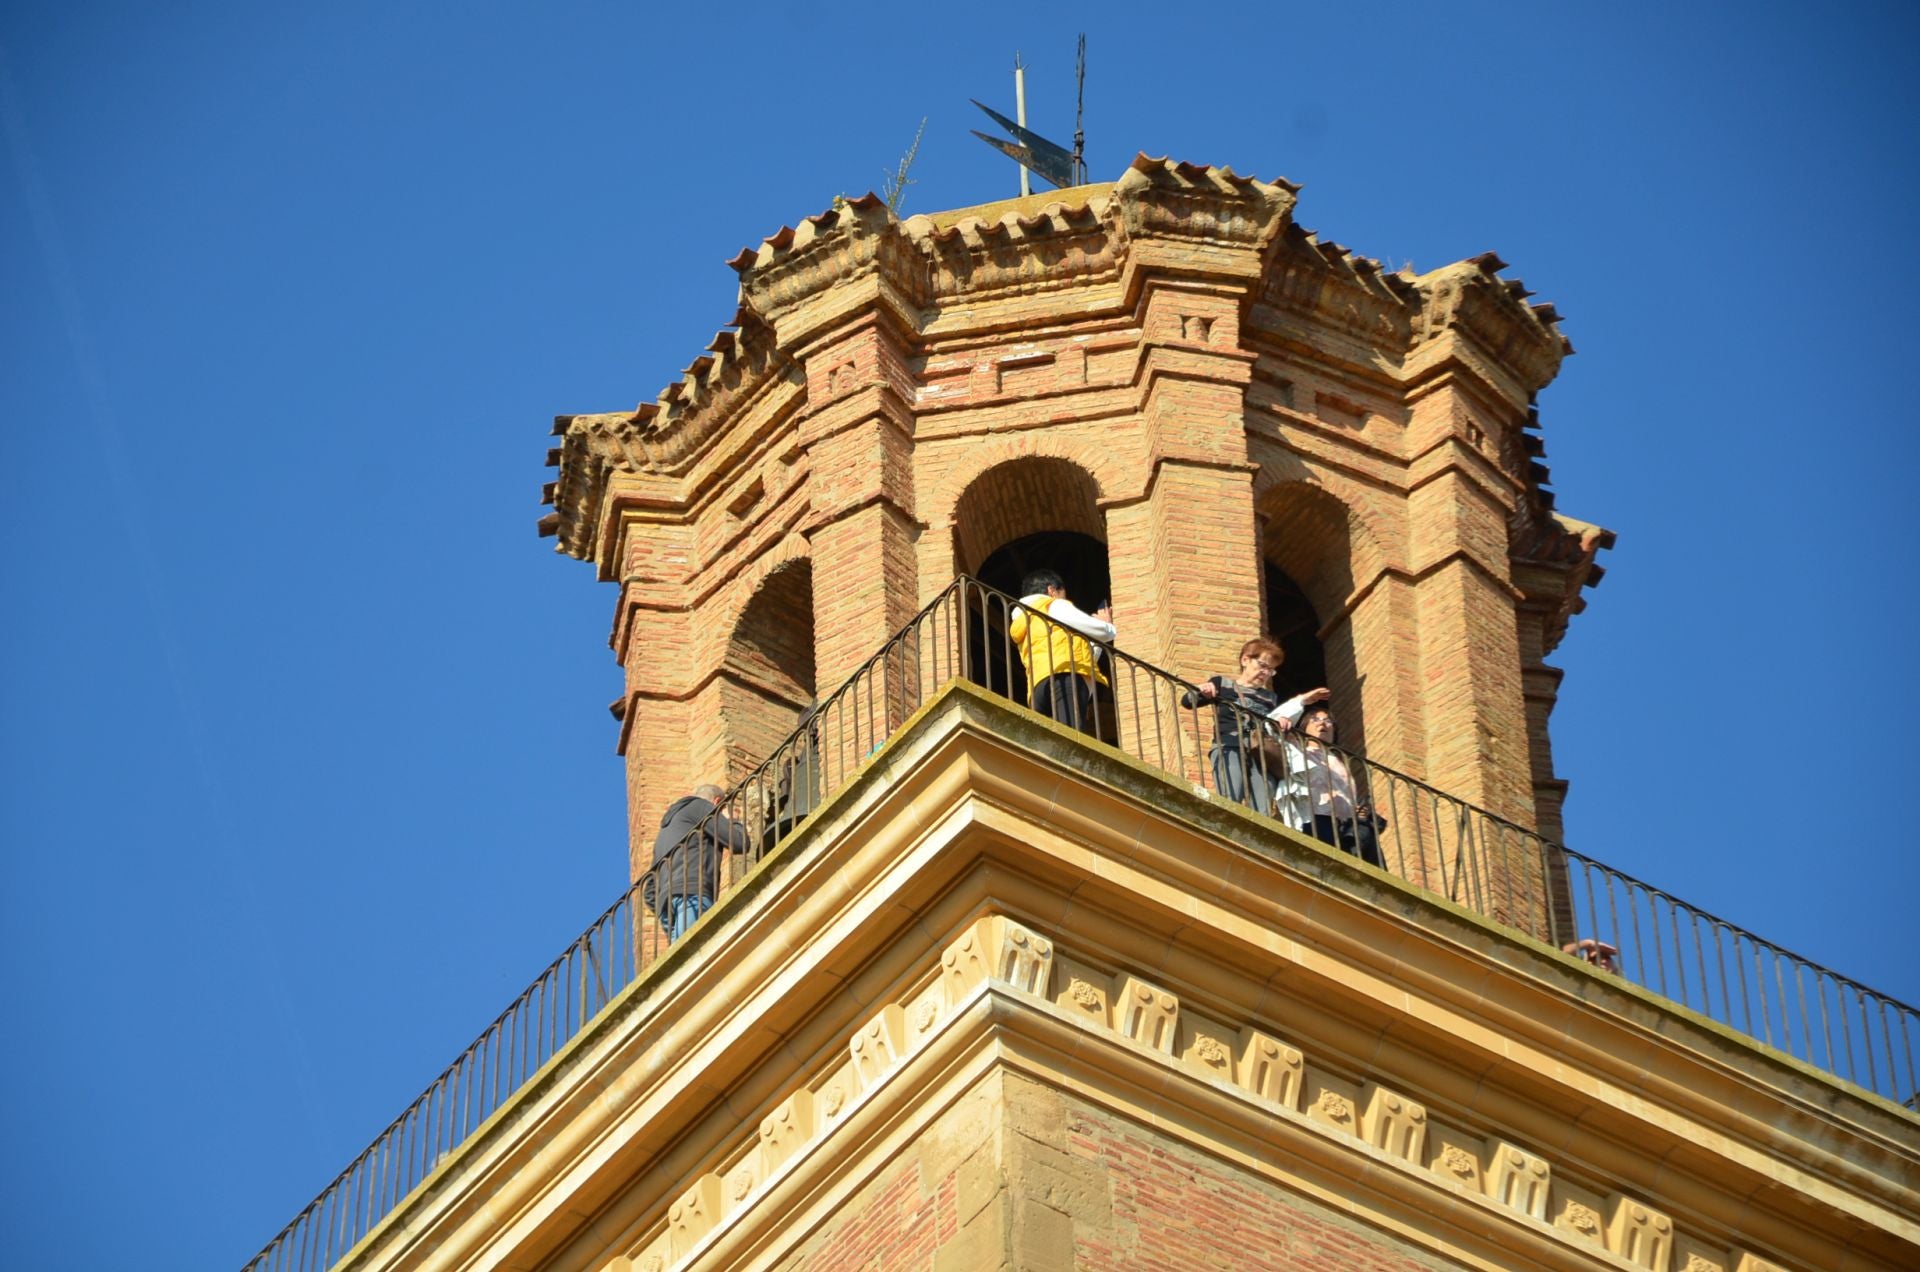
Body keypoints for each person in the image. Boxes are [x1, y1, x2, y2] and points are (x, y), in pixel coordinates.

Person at [1268, 698, 1385, 869]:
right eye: (1315, 719)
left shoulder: (1337, 761)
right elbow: (1269, 725)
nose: (1322, 724)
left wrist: (1358, 812)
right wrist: (1304, 699)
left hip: (1341, 823)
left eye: (1328, 721)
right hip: (1313, 817)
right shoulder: (1295, 749)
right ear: (1304, 726)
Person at [1180, 637, 1288, 814]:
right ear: (1245, 660)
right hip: (1229, 746)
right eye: (1262, 665)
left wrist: (1283, 721)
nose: (1266, 673)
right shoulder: (1222, 684)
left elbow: (1276, 725)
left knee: (1263, 808)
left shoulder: (1271, 698)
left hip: (1261, 752)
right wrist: (1202, 691)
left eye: (1271, 670)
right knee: (1231, 798)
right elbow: (1187, 702)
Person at [1007, 569, 1116, 737]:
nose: (1065, 599)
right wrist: (1106, 625)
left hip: (1037, 690)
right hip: (1063, 678)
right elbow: (1103, 631)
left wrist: (1098, 641)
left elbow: (1083, 655)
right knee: (1073, 739)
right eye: (1063, 594)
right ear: (1051, 590)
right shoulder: (1053, 605)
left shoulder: (1025, 621)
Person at [649, 784, 752, 940]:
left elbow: (648, 890)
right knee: (696, 954)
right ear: (717, 802)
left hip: (668, 905)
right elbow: (739, 842)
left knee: (685, 960)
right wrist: (733, 820)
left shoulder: (664, 832)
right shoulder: (701, 806)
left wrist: (667, 916)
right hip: (693, 895)